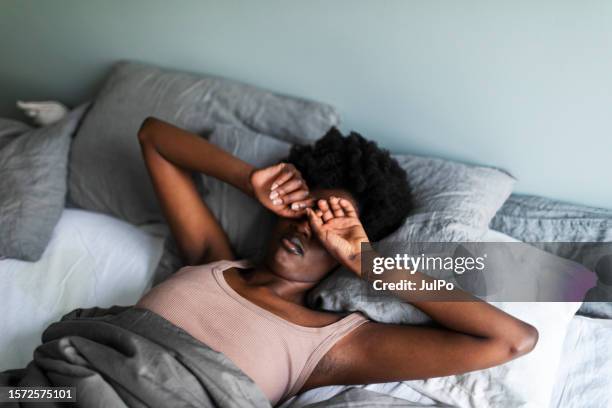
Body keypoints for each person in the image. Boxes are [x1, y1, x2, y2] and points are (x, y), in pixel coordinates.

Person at [135, 118, 538, 405]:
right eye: (306, 211)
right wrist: (252, 180)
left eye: (328, 225)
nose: (308, 229)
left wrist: (368, 263)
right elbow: (154, 136)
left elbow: (513, 340)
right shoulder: (213, 261)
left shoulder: (329, 347)